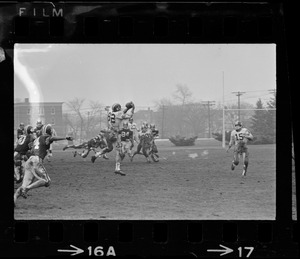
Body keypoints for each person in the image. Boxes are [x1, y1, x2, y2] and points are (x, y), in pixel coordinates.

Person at [14, 133, 73, 206]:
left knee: (24, 184)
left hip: (29, 161)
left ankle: (14, 197)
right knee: (47, 181)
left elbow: (29, 152)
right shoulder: (44, 137)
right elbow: (52, 138)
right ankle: (26, 189)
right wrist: (65, 137)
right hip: (37, 160)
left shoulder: (36, 140)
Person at [91, 102, 134, 176]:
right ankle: (117, 169)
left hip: (109, 133)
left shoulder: (110, 113)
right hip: (115, 134)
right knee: (119, 152)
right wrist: (131, 108)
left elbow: (113, 111)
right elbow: (128, 115)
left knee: (109, 148)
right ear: (118, 108)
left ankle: (96, 155)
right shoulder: (119, 113)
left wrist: (126, 108)